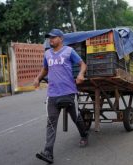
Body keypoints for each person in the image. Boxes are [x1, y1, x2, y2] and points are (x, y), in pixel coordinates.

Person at [34, 29, 88, 164]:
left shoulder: (69, 51)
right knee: (51, 124)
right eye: (49, 38)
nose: (50, 40)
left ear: (61, 39)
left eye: (53, 37)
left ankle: (84, 135)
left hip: (69, 92)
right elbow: (45, 69)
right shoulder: (47, 54)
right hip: (52, 94)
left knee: (76, 118)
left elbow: (82, 64)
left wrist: (81, 74)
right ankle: (48, 153)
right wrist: (38, 78)